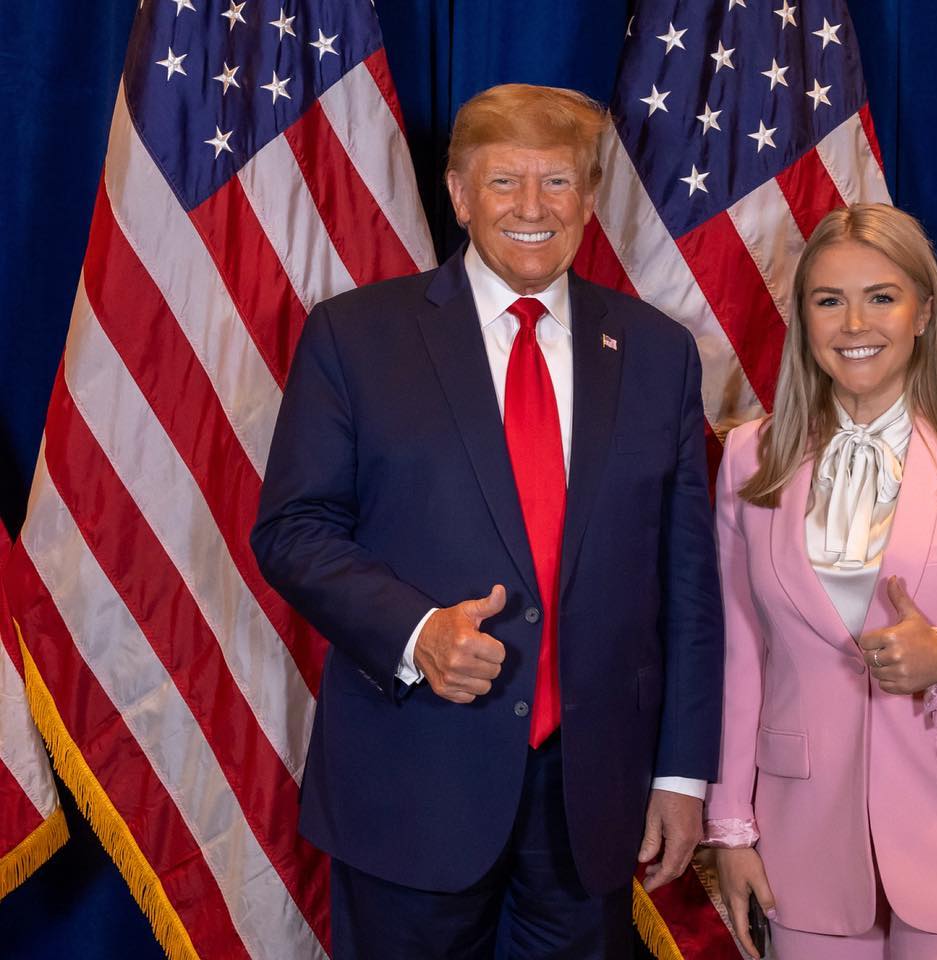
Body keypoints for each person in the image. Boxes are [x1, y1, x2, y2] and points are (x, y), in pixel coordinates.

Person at [251, 84, 723, 959]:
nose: (532, 207)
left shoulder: (659, 353)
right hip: (412, 785)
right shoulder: (356, 336)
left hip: (592, 800)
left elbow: (688, 584)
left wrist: (683, 774)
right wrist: (417, 631)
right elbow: (293, 528)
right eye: (505, 181)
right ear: (460, 194)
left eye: (558, 181)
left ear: (590, 197)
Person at [704, 203, 937, 960]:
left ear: (924, 313)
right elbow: (738, 659)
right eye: (829, 300)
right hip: (802, 847)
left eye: (881, 296)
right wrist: (731, 828)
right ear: (803, 318)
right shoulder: (751, 457)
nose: (855, 324)